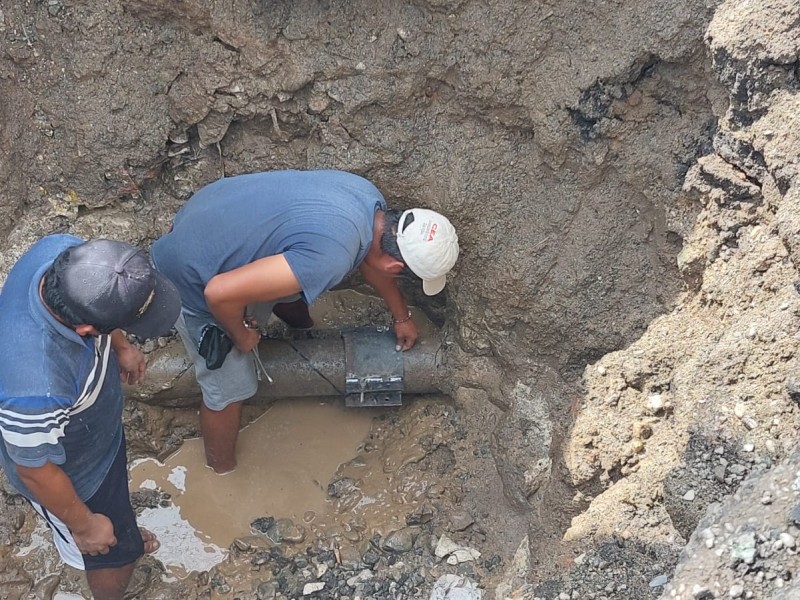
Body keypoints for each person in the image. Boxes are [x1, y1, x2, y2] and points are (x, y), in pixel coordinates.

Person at [151, 169, 459, 474]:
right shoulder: (332, 256)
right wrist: (241, 335)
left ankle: (294, 325)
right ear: (395, 265)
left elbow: (372, 263)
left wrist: (401, 317)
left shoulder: (368, 200)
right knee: (231, 387)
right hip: (187, 273)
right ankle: (221, 469)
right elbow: (218, 293)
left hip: (204, 218)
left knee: (299, 281)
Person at [0, 235, 181, 600]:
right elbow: (35, 470)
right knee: (112, 552)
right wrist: (84, 526)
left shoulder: (69, 255)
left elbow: (101, 299)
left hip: (97, 436)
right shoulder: (34, 385)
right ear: (85, 331)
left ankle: (122, 528)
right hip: (75, 474)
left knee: (118, 524)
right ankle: (113, 562)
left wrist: (123, 346)